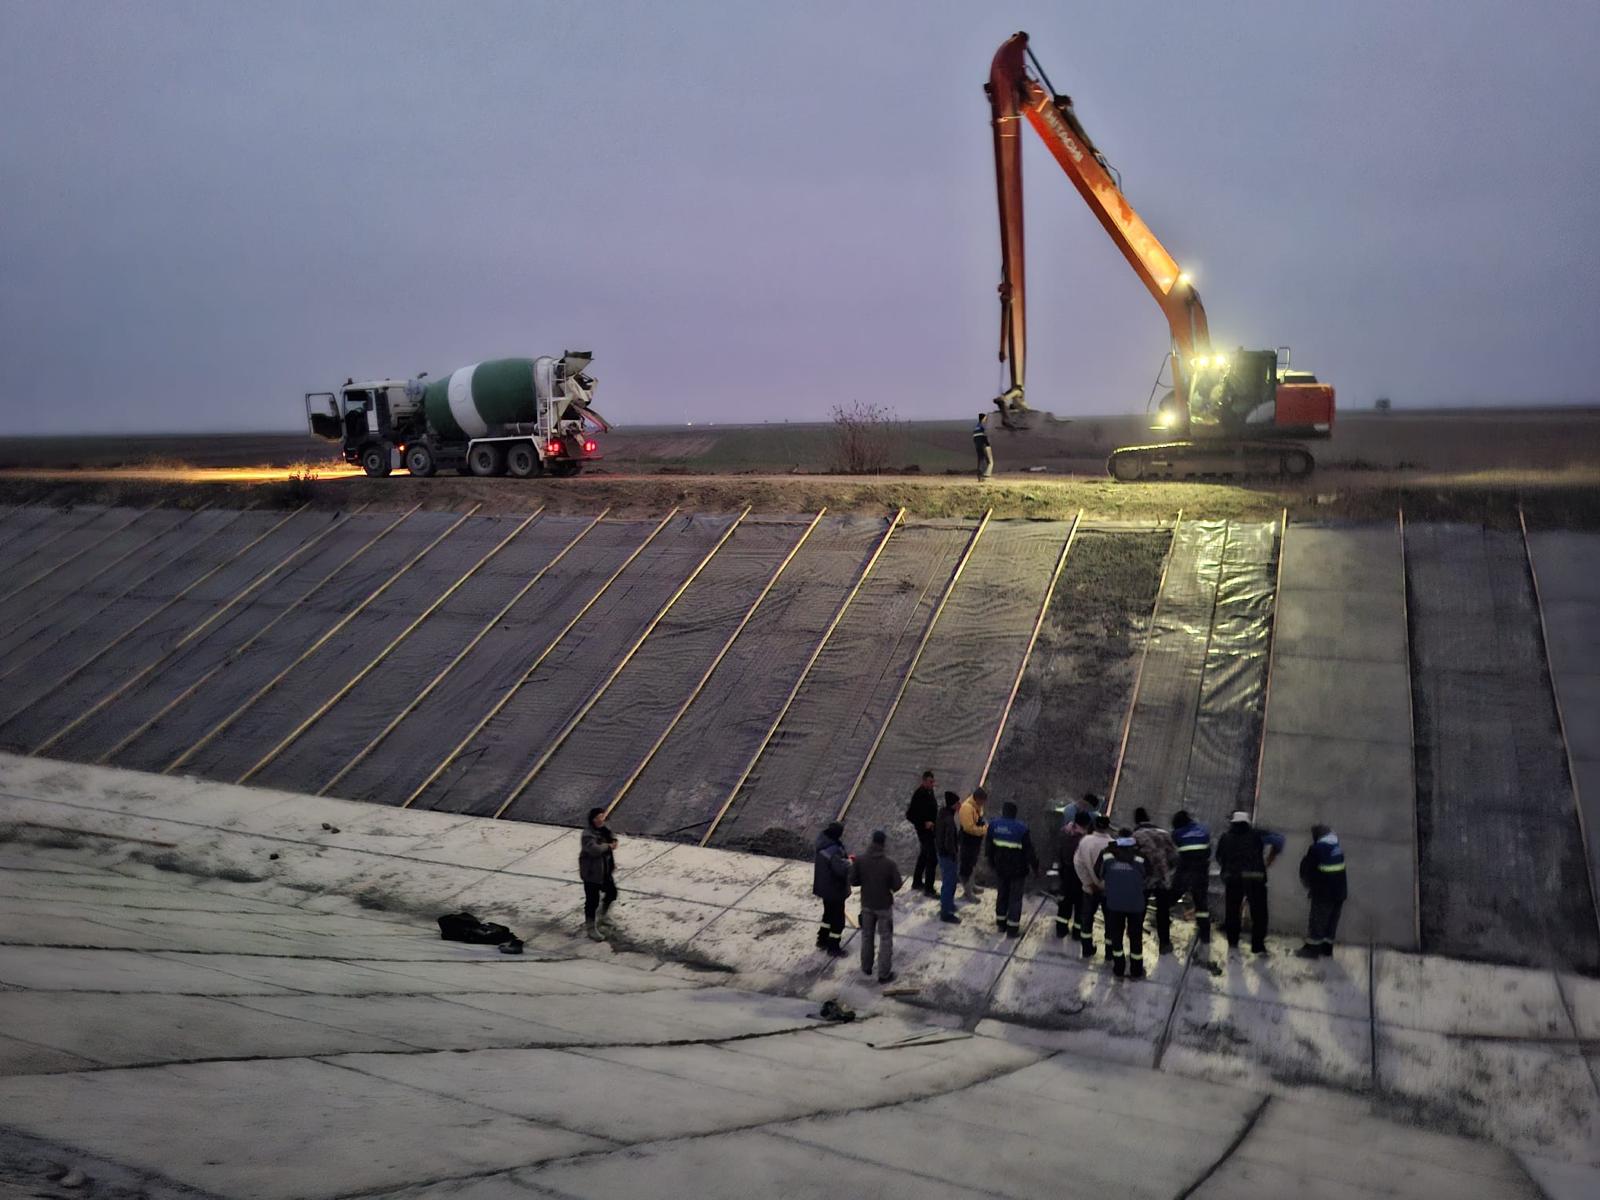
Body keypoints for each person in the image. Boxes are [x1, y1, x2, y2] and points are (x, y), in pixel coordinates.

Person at [1215, 810, 1285, 954]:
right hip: (1255, 878)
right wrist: (1271, 857)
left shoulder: (1225, 837)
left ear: (1233, 823)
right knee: (1259, 913)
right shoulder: (1257, 834)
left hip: (1233, 878)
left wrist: (1228, 868)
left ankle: (1233, 943)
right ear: (1247, 822)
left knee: (1232, 911)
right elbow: (1279, 839)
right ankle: (1257, 946)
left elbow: (1219, 857)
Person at [850, 829, 904, 983]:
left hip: (866, 904)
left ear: (872, 842)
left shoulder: (860, 860)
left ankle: (866, 967)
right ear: (883, 844)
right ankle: (883, 974)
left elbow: (853, 880)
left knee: (867, 936)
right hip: (884, 906)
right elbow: (897, 885)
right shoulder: (889, 864)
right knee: (885, 939)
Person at [1096, 830, 1150, 978]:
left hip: (1114, 903)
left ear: (1118, 838)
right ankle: (1136, 970)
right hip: (1136, 904)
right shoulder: (1141, 857)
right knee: (1135, 937)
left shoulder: (1106, 854)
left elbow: (1098, 873)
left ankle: (1118, 968)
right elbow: (1148, 876)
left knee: (1116, 935)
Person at [984, 801, 1039, 938]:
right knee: (1015, 898)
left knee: (1002, 894)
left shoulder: (994, 825)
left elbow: (989, 848)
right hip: (1017, 870)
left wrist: (991, 863)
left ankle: (1001, 923)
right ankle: (1012, 928)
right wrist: (1035, 868)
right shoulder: (1021, 829)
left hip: (1000, 868)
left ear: (1003, 811)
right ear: (1015, 813)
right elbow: (1029, 852)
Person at [1132, 806, 1179, 955]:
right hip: (1163, 879)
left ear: (1136, 821)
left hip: (1144, 880)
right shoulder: (1164, 834)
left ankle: (1135, 939)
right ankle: (1165, 944)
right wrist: (1165, 871)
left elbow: (1132, 860)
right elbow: (1174, 858)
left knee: (1139, 910)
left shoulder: (1136, 836)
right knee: (1163, 911)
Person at [1296, 824, 1348, 958]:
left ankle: (1312, 951)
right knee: (1331, 922)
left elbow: (1309, 871)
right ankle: (1326, 950)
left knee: (1317, 921)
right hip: (1340, 893)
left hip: (1324, 893)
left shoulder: (1316, 849)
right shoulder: (1337, 848)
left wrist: (1310, 887)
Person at [1072, 814, 1114, 958]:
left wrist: (1089, 883)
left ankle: (1087, 948)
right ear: (1108, 827)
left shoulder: (1085, 841)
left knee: (1087, 919)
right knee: (1110, 921)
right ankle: (1110, 952)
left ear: (1094, 825)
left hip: (1089, 889)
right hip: (1109, 891)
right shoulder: (1113, 844)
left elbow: (1078, 863)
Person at [1170, 810, 1213, 945]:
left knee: (1172, 896)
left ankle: (1162, 920)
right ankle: (1205, 935)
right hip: (1201, 871)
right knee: (1201, 903)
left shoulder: (1177, 834)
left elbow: (1177, 850)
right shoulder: (1203, 829)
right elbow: (1208, 849)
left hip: (1185, 870)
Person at [579, 807, 619, 942]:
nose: (601, 819)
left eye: (602, 816)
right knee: (592, 901)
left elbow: (612, 835)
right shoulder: (587, 834)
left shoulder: (604, 829)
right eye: (598, 817)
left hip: (605, 870)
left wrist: (613, 841)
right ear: (592, 819)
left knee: (612, 892)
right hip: (592, 873)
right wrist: (608, 846)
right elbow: (594, 850)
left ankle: (603, 915)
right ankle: (590, 927)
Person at [812, 820, 851, 958]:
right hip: (835, 889)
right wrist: (849, 863)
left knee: (827, 914)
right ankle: (833, 947)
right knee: (838, 919)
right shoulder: (834, 851)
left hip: (824, 888)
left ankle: (822, 939)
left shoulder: (822, 843)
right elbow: (840, 870)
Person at [1054, 810, 1090, 941]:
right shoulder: (1084, 839)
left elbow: (1059, 851)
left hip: (1065, 873)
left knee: (1065, 903)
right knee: (1080, 905)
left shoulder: (1065, 832)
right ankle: (1077, 932)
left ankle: (1060, 929)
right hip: (1079, 875)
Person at [905, 770, 940, 898]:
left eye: (933, 782)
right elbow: (910, 815)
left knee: (924, 855)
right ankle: (929, 888)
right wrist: (924, 823)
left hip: (930, 830)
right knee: (932, 857)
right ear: (924, 781)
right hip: (924, 831)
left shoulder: (929, 792)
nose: (932, 784)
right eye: (930, 782)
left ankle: (917, 881)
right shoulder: (919, 794)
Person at [935, 790, 963, 924]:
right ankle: (946, 912)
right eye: (958, 803)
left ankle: (948, 905)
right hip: (948, 856)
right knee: (949, 883)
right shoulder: (949, 821)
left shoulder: (942, 814)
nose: (960, 805)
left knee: (948, 881)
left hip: (941, 854)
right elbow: (949, 842)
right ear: (953, 805)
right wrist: (953, 854)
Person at [957, 787, 989, 901]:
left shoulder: (977, 806)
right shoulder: (967, 808)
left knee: (972, 864)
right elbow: (969, 828)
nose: (983, 804)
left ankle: (972, 885)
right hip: (968, 842)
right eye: (982, 801)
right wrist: (984, 830)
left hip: (975, 842)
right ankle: (967, 892)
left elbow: (980, 817)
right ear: (977, 799)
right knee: (966, 866)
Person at [972, 412, 994, 479]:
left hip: (977, 446)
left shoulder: (976, 428)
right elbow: (985, 437)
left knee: (980, 460)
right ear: (983, 418)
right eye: (985, 418)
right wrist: (987, 444)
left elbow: (974, 439)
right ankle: (985, 475)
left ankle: (979, 475)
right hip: (983, 445)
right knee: (987, 461)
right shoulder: (983, 427)